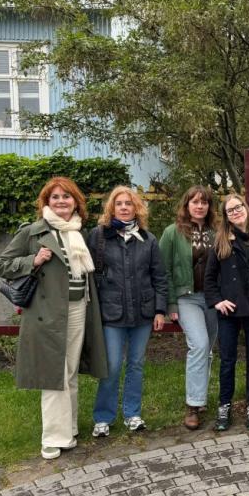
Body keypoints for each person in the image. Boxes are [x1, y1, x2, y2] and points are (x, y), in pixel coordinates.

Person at [0, 177, 107, 460]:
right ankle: (53, 438)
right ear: (46, 202)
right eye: (54, 197)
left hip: (79, 308)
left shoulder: (78, 232)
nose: (61, 202)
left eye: (66, 197)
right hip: (48, 314)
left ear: (75, 202)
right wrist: (32, 260)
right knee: (54, 374)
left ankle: (67, 429)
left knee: (68, 370)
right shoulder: (32, 232)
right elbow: (1, 264)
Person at [87, 186, 168, 437]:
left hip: (143, 313)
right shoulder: (98, 236)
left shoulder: (149, 239)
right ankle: (103, 417)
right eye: (119, 203)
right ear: (112, 207)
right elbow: (88, 274)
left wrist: (159, 310)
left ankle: (132, 414)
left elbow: (159, 277)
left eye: (129, 203)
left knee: (136, 364)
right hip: (111, 313)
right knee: (111, 366)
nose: (124, 207)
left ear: (137, 208)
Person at [205, 193, 249, 432]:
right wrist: (217, 301)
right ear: (226, 216)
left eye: (238, 207)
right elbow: (209, 279)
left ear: (246, 208)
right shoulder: (221, 243)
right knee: (228, 360)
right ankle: (224, 405)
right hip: (230, 310)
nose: (236, 212)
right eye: (230, 210)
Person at [159, 185, 218, 430]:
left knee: (209, 348)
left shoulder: (218, 232)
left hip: (214, 299)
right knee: (200, 345)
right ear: (186, 205)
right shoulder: (173, 233)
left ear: (209, 207)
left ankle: (201, 397)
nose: (199, 206)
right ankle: (193, 405)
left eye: (204, 202)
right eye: (194, 202)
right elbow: (164, 271)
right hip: (186, 298)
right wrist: (170, 303)